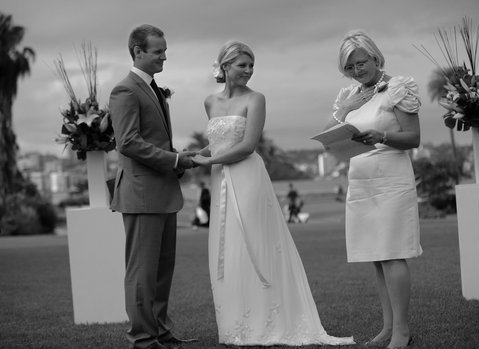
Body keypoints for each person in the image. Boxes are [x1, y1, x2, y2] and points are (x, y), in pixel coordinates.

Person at [192, 40, 354, 346]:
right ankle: (237, 322)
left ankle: (268, 319)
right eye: (243, 65)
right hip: (221, 178)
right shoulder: (209, 103)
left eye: (252, 65)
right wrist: (195, 155)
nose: (249, 71)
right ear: (225, 66)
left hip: (247, 177)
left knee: (254, 243)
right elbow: (218, 142)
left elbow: (246, 145)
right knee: (228, 248)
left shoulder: (257, 99)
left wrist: (209, 160)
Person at [323, 30, 422, 349]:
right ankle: (388, 326)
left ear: (376, 57)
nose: (356, 72)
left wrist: (382, 136)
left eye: (360, 63)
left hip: (391, 177)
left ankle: (403, 331)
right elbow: (328, 138)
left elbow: (413, 138)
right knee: (377, 256)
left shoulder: (398, 88)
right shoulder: (349, 95)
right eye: (349, 68)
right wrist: (347, 107)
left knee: (392, 253)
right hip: (361, 179)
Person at [109, 24, 196, 349]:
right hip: (141, 195)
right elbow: (128, 143)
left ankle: (160, 331)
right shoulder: (125, 90)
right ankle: (142, 338)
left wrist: (180, 157)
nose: (164, 57)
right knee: (142, 273)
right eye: (158, 51)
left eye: (164, 51)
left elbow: (154, 140)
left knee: (161, 271)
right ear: (138, 52)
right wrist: (175, 161)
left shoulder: (154, 88)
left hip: (162, 193)